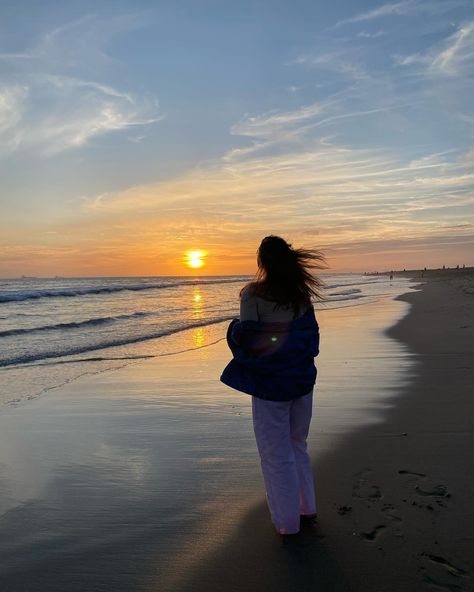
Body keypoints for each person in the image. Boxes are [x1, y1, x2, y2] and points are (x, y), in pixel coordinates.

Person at [220, 235, 326, 540]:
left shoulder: (252, 294)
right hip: (302, 381)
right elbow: (309, 341)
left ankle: (287, 523)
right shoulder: (301, 296)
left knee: (275, 454)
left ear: (262, 262)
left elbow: (253, 343)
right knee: (297, 445)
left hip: (271, 387)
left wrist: (233, 330)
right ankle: (307, 508)